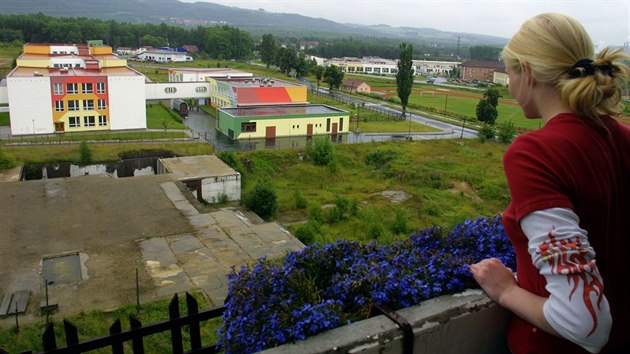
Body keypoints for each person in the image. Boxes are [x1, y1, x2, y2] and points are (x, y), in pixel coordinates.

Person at [469, 13, 630, 354]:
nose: (509, 84)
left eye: (510, 72)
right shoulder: (624, 138)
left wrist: (506, 291)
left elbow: (585, 323)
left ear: (526, 72)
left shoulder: (536, 153)